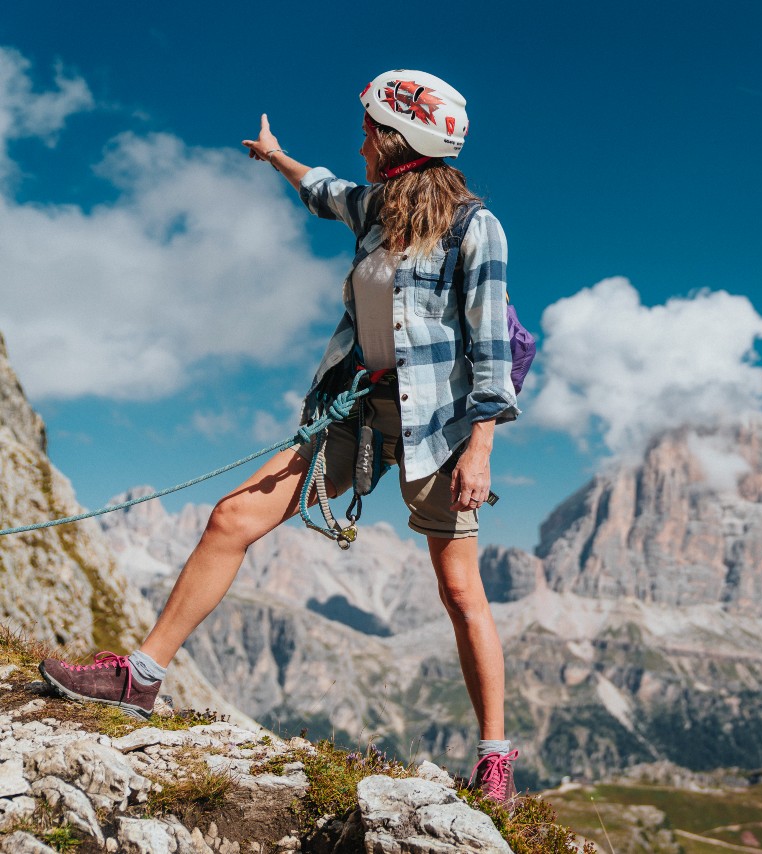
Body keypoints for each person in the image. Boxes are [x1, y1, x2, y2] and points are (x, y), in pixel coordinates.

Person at [38, 70, 522, 804]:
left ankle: (494, 762)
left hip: (442, 428)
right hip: (355, 414)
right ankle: (139, 678)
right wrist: (277, 157)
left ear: (400, 140)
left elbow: (488, 349)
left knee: (459, 590)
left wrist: (480, 449)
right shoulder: (373, 209)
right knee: (231, 516)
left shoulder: (474, 228)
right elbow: (320, 188)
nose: (361, 140)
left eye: (370, 130)